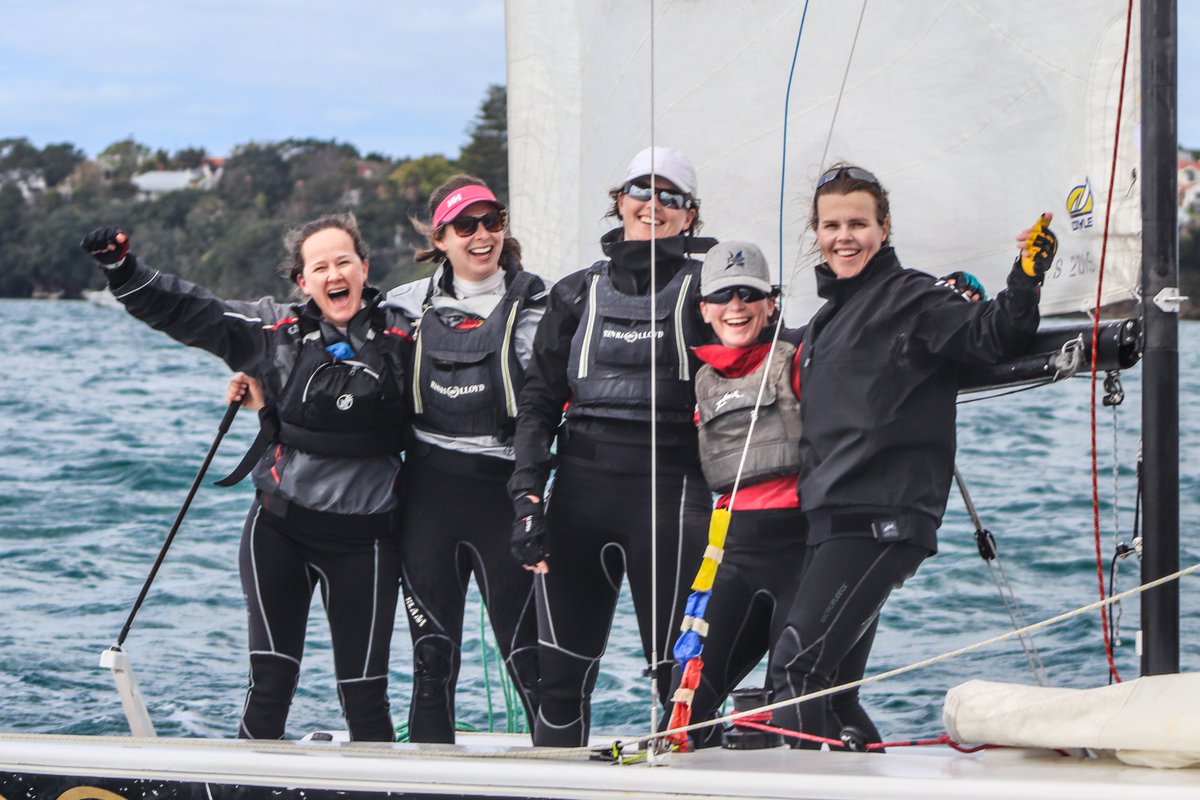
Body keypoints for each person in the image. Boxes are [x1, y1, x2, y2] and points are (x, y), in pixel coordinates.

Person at [80, 214, 412, 741]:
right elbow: (192, 311)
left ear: (364, 268)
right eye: (319, 266)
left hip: (368, 541)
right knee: (271, 684)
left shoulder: (405, 334)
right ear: (302, 282)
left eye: (343, 261)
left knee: (366, 693)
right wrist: (123, 270)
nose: (333, 274)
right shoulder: (273, 331)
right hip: (280, 531)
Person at [766, 164, 1055, 747]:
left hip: (881, 515)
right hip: (831, 517)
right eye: (831, 225)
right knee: (834, 693)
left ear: (884, 228)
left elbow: (992, 337)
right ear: (815, 232)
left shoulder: (913, 297)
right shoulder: (825, 321)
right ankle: (859, 774)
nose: (843, 236)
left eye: (858, 224)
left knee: (795, 673)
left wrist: (1026, 276)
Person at [507, 146, 718, 746]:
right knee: (560, 683)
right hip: (578, 498)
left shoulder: (710, 292)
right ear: (620, 200)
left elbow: (765, 351)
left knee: (680, 687)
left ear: (690, 214)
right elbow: (539, 405)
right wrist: (526, 498)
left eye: (672, 197)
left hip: (673, 497)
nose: (655, 205)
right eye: (642, 191)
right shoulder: (575, 294)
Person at [382, 176, 544, 742]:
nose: (482, 236)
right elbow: (325, 343)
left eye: (492, 222)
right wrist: (256, 382)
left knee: (531, 661)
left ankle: (562, 778)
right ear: (440, 237)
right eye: (466, 226)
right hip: (429, 498)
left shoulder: (542, 306)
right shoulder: (401, 305)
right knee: (432, 663)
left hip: (504, 496)